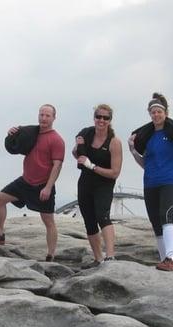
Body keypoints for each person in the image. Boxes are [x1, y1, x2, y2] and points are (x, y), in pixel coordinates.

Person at [0, 104, 65, 261]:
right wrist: (12, 133)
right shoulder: (32, 133)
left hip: (43, 185)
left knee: (48, 221)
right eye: (41, 114)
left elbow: (57, 165)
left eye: (47, 115)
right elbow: (16, 144)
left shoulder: (56, 140)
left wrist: (48, 187)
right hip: (25, 181)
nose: (44, 118)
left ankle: (51, 255)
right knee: (0, 199)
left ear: (54, 118)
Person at [128, 93, 173, 271]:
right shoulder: (147, 136)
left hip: (170, 181)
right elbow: (145, 164)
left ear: (165, 113)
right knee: (155, 222)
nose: (156, 115)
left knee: (166, 216)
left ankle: (170, 259)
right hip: (151, 182)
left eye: (159, 111)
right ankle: (163, 258)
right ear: (150, 114)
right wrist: (133, 150)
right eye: (152, 112)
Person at [73, 104, 122, 269]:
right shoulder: (87, 133)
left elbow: (115, 172)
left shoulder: (114, 142)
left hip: (104, 184)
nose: (101, 120)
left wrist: (92, 166)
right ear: (94, 117)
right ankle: (98, 258)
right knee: (89, 220)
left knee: (103, 215)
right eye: (98, 116)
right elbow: (76, 154)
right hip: (85, 182)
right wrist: (78, 147)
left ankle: (110, 257)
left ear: (110, 120)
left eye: (105, 118)